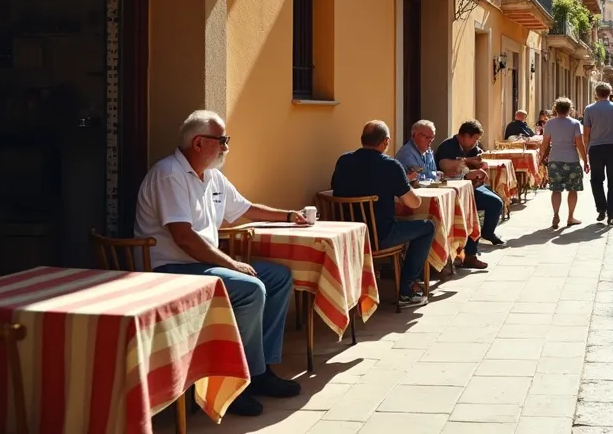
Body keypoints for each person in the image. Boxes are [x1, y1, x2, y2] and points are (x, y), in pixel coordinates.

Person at [134, 110, 306, 417]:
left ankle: (260, 368)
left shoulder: (211, 174)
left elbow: (245, 208)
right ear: (199, 142)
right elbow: (184, 237)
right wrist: (231, 263)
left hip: (200, 265)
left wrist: (289, 216)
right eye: (222, 140)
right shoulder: (169, 174)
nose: (226, 147)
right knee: (251, 289)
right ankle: (235, 382)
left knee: (278, 277)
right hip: (170, 270)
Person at [331, 120, 434, 308]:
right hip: (379, 235)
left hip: (347, 235)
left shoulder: (343, 161)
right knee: (427, 227)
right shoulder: (391, 166)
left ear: (363, 139)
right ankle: (406, 289)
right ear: (386, 142)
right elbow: (413, 203)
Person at [436, 120, 504, 265]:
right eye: (475, 139)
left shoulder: (472, 147)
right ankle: (470, 254)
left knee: (497, 201)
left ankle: (487, 232)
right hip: (455, 189)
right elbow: (445, 165)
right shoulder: (448, 146)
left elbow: (478, 162)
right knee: (480, 207)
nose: (476, 143)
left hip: (471, 186)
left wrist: (480, 167)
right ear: (466, 135)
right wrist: (468, 166)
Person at [582, 82, 613, 226]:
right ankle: (611, 213)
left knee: (596, 180)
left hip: (596, 149)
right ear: (610, 93)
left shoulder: (589, 109)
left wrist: (586, 152)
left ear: (596, 94)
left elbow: (586, 134)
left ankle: (601, 208)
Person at [538, 97, 587, 230]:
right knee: (572, 190)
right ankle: (570, 217)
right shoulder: (575, 123)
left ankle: (555, 214)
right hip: (571, 159)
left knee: (556, 189)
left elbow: (545, 143)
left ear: (555, 109)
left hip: (555, 160)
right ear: (570, 109)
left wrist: (540, 158)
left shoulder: (549, 124)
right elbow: (579, 144)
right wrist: (585, 160)